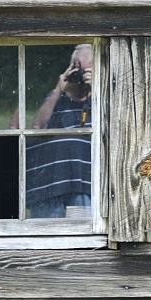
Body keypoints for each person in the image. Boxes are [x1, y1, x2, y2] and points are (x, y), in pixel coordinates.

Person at [24, 44, 93, 218]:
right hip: (50, 185)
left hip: (87, 185)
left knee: (83, 238)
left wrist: (97, 89)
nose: (81, 76)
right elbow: (38, 126)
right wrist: (58, 89)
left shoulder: (101, 97)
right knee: (45, 240)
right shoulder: (56, 98)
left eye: (87, 70)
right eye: (78, 69)